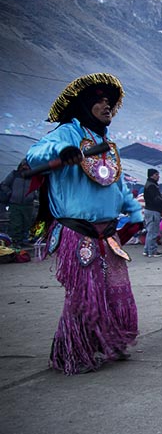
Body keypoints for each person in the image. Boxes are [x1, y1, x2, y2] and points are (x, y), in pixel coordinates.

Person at [26, 73, 143, 375]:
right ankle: (73, 352)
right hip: (79, 232)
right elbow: (34, 154)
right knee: (84, 296)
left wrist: (134, 212)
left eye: (109, 102)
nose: (107, 107)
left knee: (114, 291)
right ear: (86, 104)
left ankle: (110, 342)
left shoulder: (105, 143)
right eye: (100, 101)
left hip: (109, 233)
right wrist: (62, 152)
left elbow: (116, 187)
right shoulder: (67, 132)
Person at [0, 160, 35, 248]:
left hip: (28, 204)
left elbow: (38, 188)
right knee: (16, 223)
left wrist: (34, 195)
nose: (26, 167)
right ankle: (15, 241)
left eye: (27, 166)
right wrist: (10, 193)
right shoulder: (14, 175)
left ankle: (24, 240)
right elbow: (4, 185)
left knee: (26, 223)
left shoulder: (33, 177)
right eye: (24, 165)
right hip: (15, 203)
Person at [143, 168, 162, 257]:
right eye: (156, 175)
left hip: (148, 210)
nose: (158, 177)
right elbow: (156, 199)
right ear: (152, 175)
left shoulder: (148, 184)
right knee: (153, 232)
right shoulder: (152, 186)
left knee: (149, 231)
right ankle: (152, 251)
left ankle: (147, 250)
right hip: (153, 211)